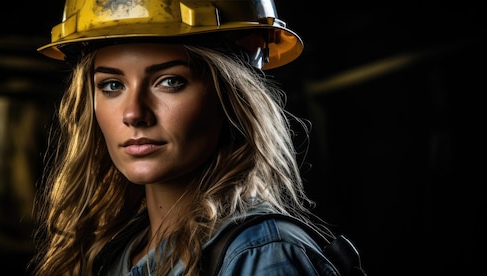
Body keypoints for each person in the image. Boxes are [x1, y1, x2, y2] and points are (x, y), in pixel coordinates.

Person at [30, 0, 347, 275]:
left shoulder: (261, 255)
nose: (133, 113)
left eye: (169, 81)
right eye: (112, 85)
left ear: (232, 97)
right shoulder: (116, 252)